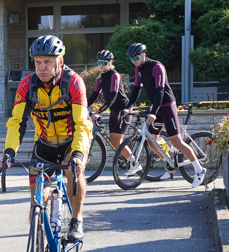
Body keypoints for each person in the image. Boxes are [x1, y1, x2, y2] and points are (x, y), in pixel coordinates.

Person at [0, 35, 91, 252]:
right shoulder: (26, 86)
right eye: (37, 62)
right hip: (44, 144)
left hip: (71, 141)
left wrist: (78, 153)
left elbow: (81, 123)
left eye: (47, 62)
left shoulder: (73, 82)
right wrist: (9, 152)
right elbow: (17, 122)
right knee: (37, 199)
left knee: (73, 173)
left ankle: (76, 220)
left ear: (60, 61)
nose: (41, 67)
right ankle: (39, 251)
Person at [126, 43, 205, 186]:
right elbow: (136, 89)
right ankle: (170, 162)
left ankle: (199, 170)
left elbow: (160, 91)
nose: (133, 61)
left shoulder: (157, 67)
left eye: (135, 57)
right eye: (130, 58)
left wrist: (153, 113)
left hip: (167, 106)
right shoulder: (138, 69)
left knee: (176, 141)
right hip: (156, 107)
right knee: (152, 140)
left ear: (143, 55)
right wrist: (127, 107)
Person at [86, 50, 134, 165]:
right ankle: (127, 159)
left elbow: (113, 97)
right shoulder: (100, 77)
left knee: (116, 140)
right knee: (114, 141)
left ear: (110, 63)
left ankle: (134, 163)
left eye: (103, 63)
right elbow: (94, 95)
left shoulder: (114, 75)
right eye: (99, 63)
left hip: (123, 110)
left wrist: (99, 111)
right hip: (114, 110)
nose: (100, 65)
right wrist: (82, 106)